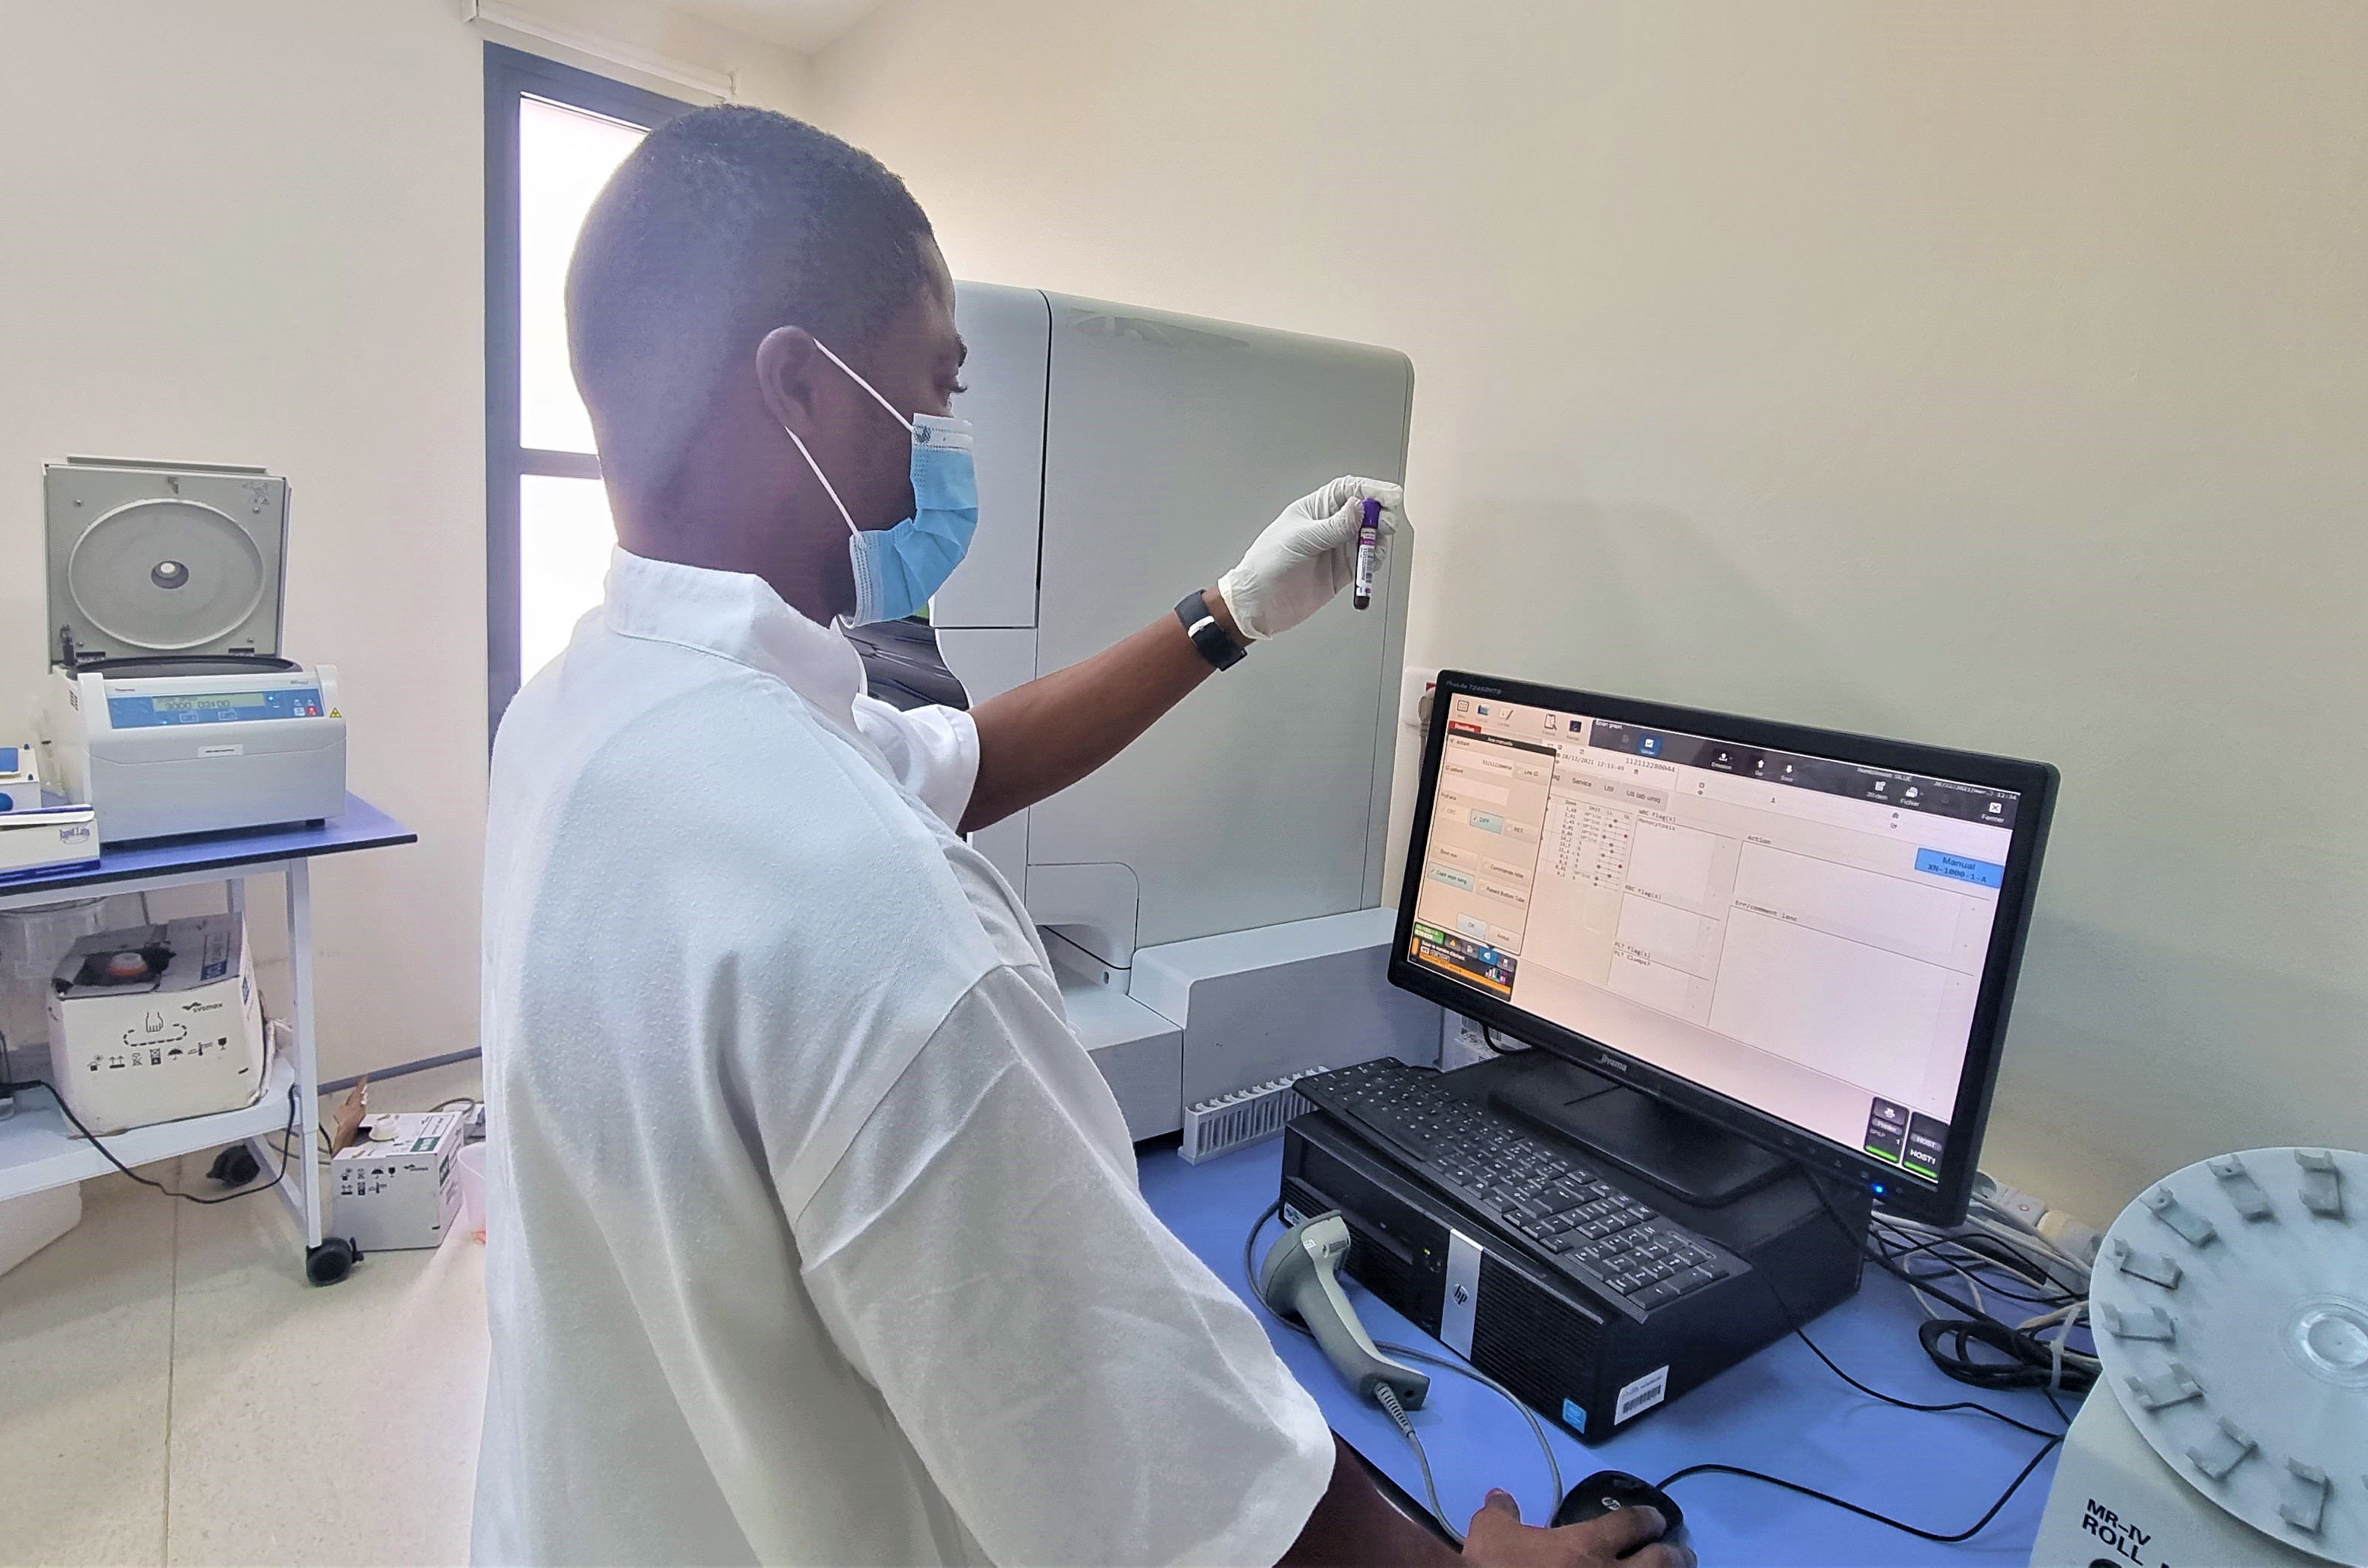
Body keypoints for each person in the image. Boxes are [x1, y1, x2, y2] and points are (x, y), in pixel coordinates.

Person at [472, 105, 1689, 1568]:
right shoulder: (879, 922)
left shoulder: (581, 709)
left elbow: (954, 762)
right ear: (797, 387)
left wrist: (1226, 614)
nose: (943, 443)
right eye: (934, 389)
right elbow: (1185, 1494)